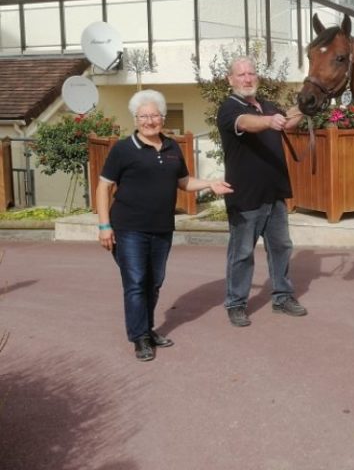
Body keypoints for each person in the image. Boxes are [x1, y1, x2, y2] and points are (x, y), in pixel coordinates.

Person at [96, 89, 233, 362]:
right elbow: (103, 187)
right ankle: (140, 337)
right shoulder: (123, 149)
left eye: (154, 115)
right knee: (136, 282)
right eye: (143, 116)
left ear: (162, 117)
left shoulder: (172, 148)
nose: (149, 121)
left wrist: (209, 184)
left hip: (162, 228)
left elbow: (183, 182)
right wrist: (104, 226)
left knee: (154, 282)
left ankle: (146, 329)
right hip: (128, 228)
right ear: (135, 120)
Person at [216, 55, 307, 327]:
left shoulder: (266, 105)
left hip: (274, 191)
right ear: (231, 79)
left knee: (281, 247)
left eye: (251, 73)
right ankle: (236, 303)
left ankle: (282, 296)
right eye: (241, 74)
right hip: (245, 196)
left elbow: (287, 122)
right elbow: (246, 123)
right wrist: (269, 122)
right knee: (242, 253)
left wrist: (306, 105)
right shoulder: (229, 108)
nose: (247, 79)